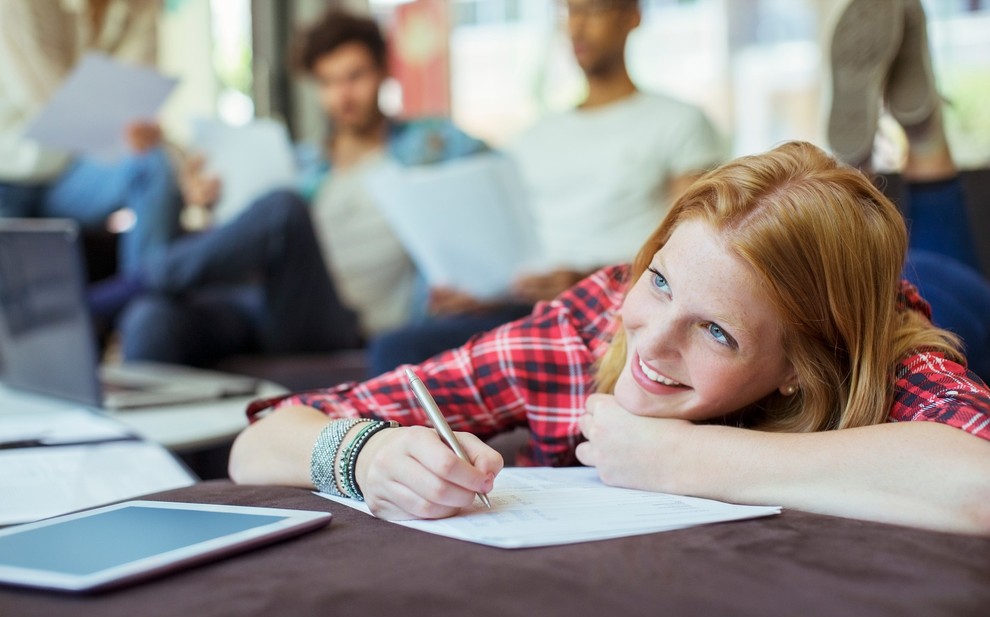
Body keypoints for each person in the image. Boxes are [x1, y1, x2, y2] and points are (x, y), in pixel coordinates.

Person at [229, 140, 990, 536]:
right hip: (821, 280)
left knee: (951, 272)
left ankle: (913, 155)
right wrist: (368, 454)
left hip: (928, 299)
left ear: (798, 367)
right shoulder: (587, 325)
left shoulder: (886, 358)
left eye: (716, 332)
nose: (651, 343)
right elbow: (256, 444)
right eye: (658, 280)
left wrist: (686, 458)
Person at [367, 0, 723, 375]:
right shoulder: (531, 140)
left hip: (610, 305)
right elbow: (510, 244)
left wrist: (586, 280)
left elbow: (694, 253)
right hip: (524, 307)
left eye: (593, 11)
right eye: (569, 12)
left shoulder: (678, 122)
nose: (577, 27)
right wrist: (479, 292)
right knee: (398, 348)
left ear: (631, 17)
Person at [112, 9, 486, 365]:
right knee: (152, 317)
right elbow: (250, 241)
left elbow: (495, 180)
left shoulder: (429, 146)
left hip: (338, 322)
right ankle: (139, 291)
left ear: (384, 71)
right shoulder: (303, 164)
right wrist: (205, 203)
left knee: (284, 208)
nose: (343, 95)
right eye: (328, 82)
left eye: (355, 76)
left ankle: (131, 283)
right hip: (268, 302)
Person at [828, 0, 989, 379]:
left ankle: (915, 134)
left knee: (936, 304)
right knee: (932, 305)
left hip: (910, 309)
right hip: (897, 303)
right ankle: (861, 164)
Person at [0, 0, 183, 275]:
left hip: (70, 175)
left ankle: (146, 304)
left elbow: (137, 107)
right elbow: (50, 105)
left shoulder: (141, 6)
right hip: (9, 178)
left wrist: (180, 159)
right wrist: (129, 131)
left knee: (153, 164)